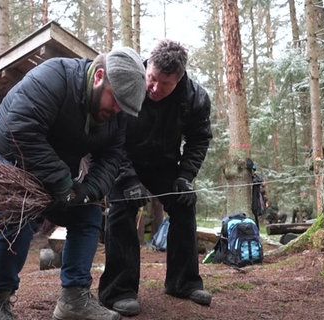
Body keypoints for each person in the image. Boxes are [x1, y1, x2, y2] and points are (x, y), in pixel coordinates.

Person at [0, 47, 146, 320]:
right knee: (19, 210)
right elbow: (21, 130)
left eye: (124, 106)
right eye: (116, 99)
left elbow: (113, 156)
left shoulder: (117, 113)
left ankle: (74, 300)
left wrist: (89, 191)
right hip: (2, 159)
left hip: (48, 171)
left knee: (89, 212)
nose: (117, 109)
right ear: (99, 76)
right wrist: (61, 181)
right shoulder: (53, 77)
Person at [98, 40, 213, 317]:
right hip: (122, 159)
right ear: (147, 66)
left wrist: (185, 177)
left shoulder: (195, 97)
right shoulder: (128, 81)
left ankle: (182, 282)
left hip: (163, 163)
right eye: (152, 79)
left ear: (180, 79)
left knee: (184, 205)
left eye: (165, 84)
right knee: (123, 207)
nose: (154, 88)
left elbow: (199, 140)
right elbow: (111, 137)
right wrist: (127, 179)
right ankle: (119, 290)